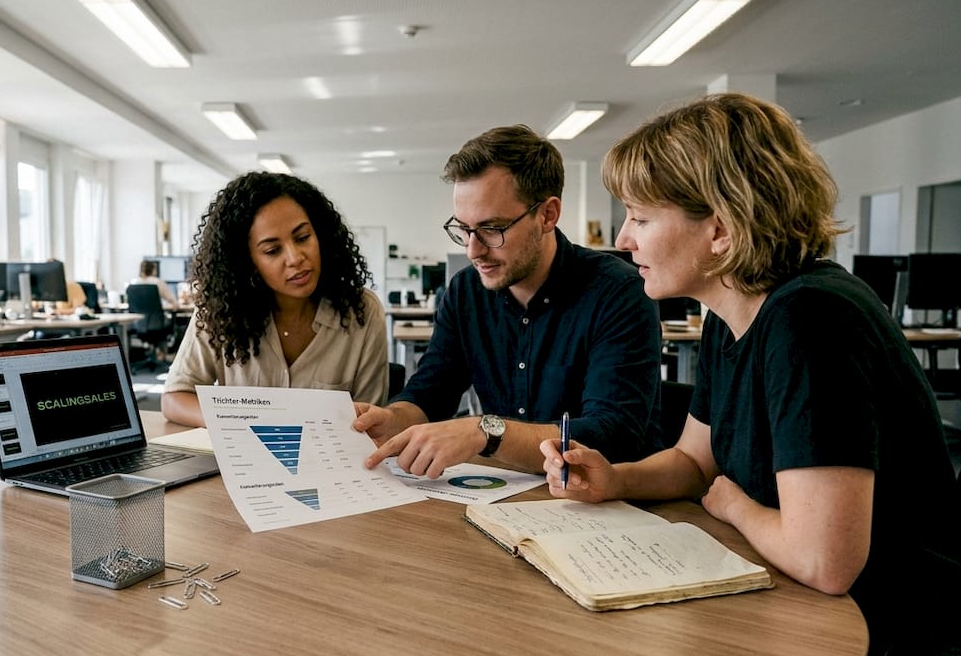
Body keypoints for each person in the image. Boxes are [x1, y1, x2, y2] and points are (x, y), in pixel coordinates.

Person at [546, 92, 961, 656]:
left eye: (641, 217)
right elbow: (693, 461)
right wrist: (616, 480)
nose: (624, 239)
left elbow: (824, 562)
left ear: (722, 228)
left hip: (902, 653)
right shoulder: (730, 313)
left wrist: (735, 507)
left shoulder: (811, 320)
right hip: (820, 611)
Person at [356, 125, 664, 478]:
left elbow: (612, 436)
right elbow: (430, 392)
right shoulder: (465, 292)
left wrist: (485, 433)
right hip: (508, 490)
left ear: (548, 215)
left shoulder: (617, 291)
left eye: (492, 229)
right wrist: (392, 419)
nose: (473, 250)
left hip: (612, 501)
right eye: (463, 229)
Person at [161, 172, 388, 427]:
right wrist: (238, 421)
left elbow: (371, 419)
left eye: (303, 238)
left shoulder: (361, 311)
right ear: (247, 262)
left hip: (327, 461)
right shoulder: (221, 310)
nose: (295, 257)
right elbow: (175, 398)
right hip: (241, 462)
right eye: (272, 250)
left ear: (321, 236)